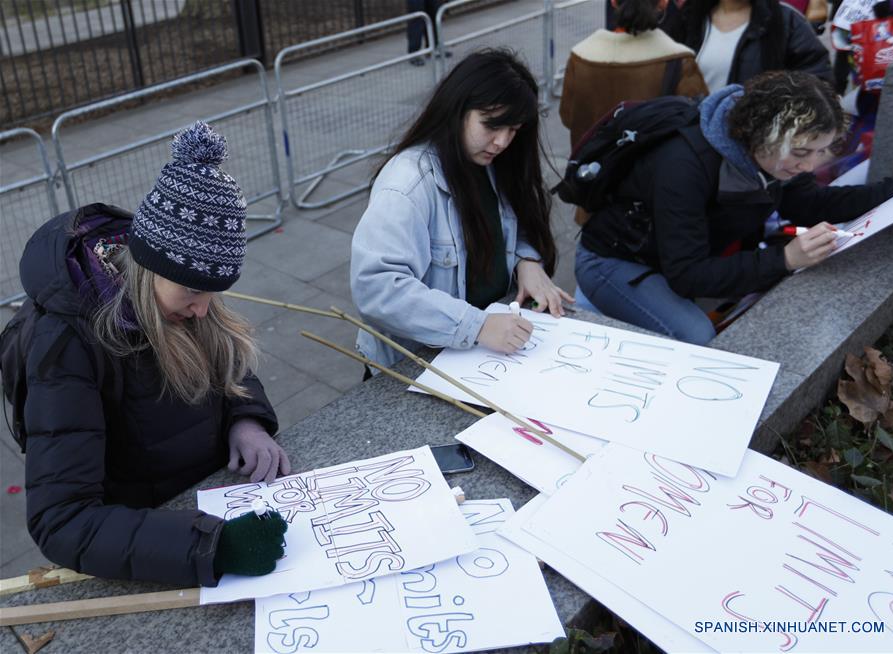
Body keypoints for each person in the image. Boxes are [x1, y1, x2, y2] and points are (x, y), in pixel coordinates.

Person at [20, 122, 291, 586]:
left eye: (214, 293)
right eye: (193, 291)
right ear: (149, 268)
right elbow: (62, 520)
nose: (203, 308)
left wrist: (245, 417)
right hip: (149, 527)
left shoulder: (184, 295)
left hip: (209, 492)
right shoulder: (66, 345)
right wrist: (209, 546)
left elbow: (229, 359)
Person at [574, 71, 893, 344]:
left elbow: (809, 203)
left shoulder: (770, 154)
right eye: (801, 153)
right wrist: (785, 258)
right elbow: (687, 274)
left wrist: (891, 192)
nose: (810, 166)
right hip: (612, 261)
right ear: (762, 134)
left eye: (820, 151)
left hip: (672, 255)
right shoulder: (685, 165)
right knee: (697, 335)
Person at [351, 49, 572, 369]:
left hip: (481, 354)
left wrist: (527, 260)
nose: (501, 142)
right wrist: (477, 326)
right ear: (457, 110)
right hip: (419, 363)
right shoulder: (407, 183)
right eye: (491, 126)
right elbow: (377, 288)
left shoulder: (494, 164)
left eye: (512, 130)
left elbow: (520, 225)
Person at [560, 0, 708, 153]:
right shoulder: (680, 61)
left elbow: (568, 118)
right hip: (654, 171)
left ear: (613, 2)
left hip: (592, 169)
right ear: (663, 3)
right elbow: (696, 120)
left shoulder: (580, 58)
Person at [664, 0, 833, 93]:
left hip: (754, 142)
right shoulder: (689, 17)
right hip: (692, 137)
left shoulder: (786, 22)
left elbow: (817, 82)